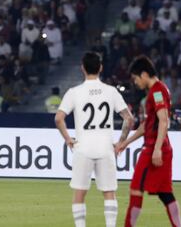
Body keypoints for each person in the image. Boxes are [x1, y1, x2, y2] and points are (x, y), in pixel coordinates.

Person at [55, 52, 134, 227]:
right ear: (101, 68)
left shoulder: (74, 92)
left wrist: (68, 139)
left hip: (83, 148)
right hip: (106, 148)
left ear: (82, 68)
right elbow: (129, 119)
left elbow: (58, 118)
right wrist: (121, 142)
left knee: (79, 193)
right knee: (109, 193)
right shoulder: (111, 91)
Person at [115, 55, 181, 227]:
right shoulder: (157, 90)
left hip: (153, 149)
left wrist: (157, 149)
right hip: (161, 148)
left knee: (136, 189)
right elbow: (147, 125)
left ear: (144, 74)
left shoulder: (158, 91)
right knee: (165, 193)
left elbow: (163, 120)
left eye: (135, 78)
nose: (136, 82)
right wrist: (126, 142)